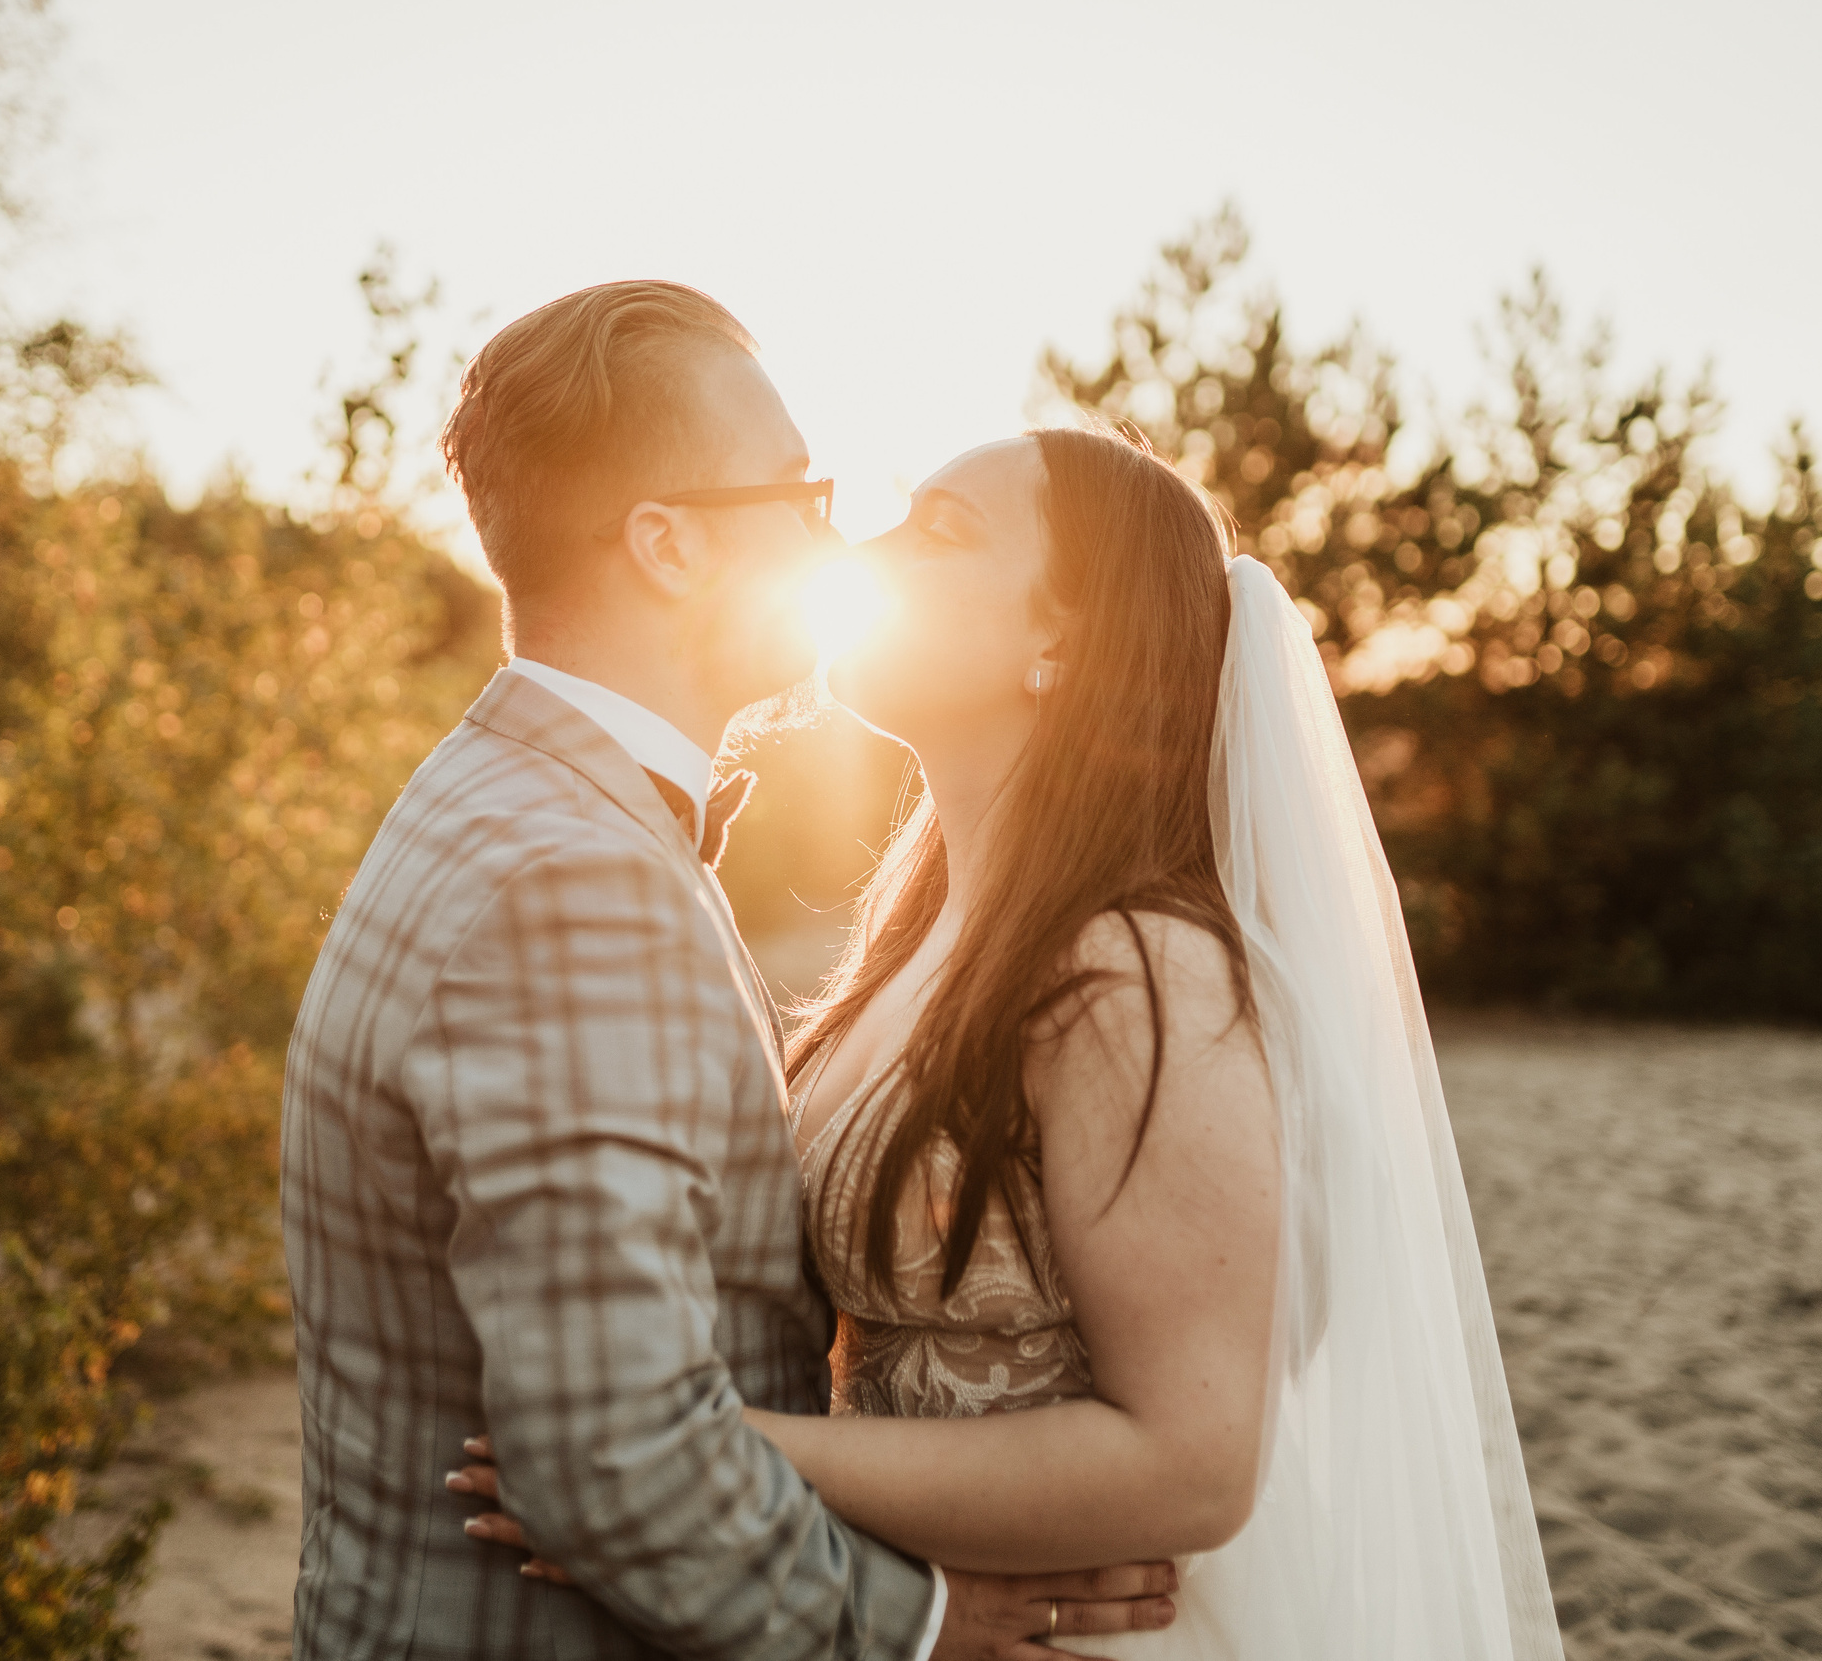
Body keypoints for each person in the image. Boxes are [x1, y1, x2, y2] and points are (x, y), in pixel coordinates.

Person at [455, 426, 1565, 1659]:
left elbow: (1193, 1464)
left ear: (1060, 642)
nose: (861, 552)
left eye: (941, 530)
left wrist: (707, 1458)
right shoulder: (925, 934)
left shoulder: (1131, 975)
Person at [278, 283, 1180, 1660]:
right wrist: (929, 1625)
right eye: (799, 494)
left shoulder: (515, 801)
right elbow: (616, 1455)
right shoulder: (573, 881)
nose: (839, 538)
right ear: (670, 544)